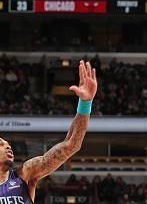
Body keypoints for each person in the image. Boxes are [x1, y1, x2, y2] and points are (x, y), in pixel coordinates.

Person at [0, 60, 97, 204]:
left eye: (7, 144)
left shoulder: (24, 175)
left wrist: (85, 103)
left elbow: (71, 145)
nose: (8, 146)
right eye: (1, 144)